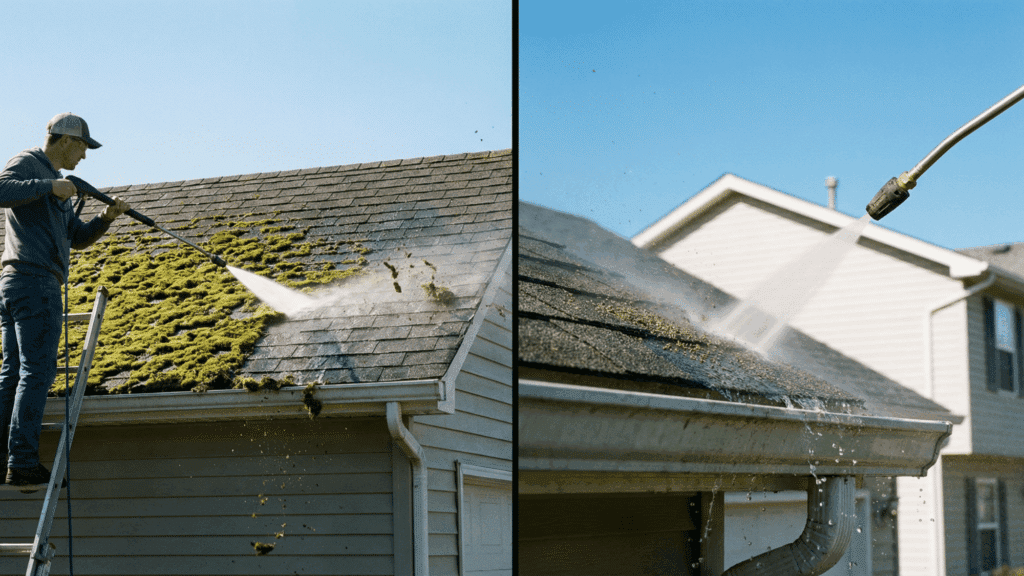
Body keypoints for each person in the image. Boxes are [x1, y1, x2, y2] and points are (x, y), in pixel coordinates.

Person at [0, 113, 130, 490]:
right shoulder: (29, 163)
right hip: (34, 281)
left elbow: (78, 238)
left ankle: (9, 459)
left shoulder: (59, 185)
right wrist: (48, 186)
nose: (85, 156)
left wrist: (106, 217)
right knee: (36, 372)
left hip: (21, 283)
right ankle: (22, 460)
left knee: (13, 373)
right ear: (65, 140)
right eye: (83, 147)